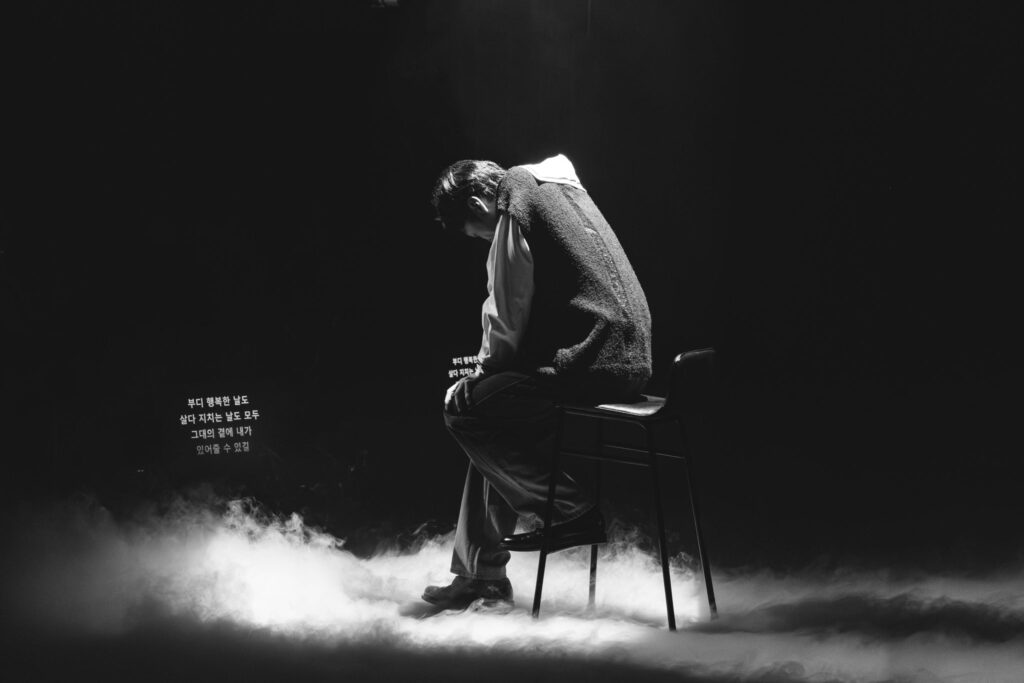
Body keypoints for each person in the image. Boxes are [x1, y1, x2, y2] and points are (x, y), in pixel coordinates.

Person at [423, 153, 652, 611]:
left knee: (465, 410)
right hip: (631, 359)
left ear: (478, 203)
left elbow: (508, 305)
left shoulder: (517, 198)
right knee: (491, 431)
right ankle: (481, 575)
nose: (485, 241)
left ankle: (569, 509)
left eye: (479, 233)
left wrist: (482, 370)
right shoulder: (563, 192)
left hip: (593, 362)